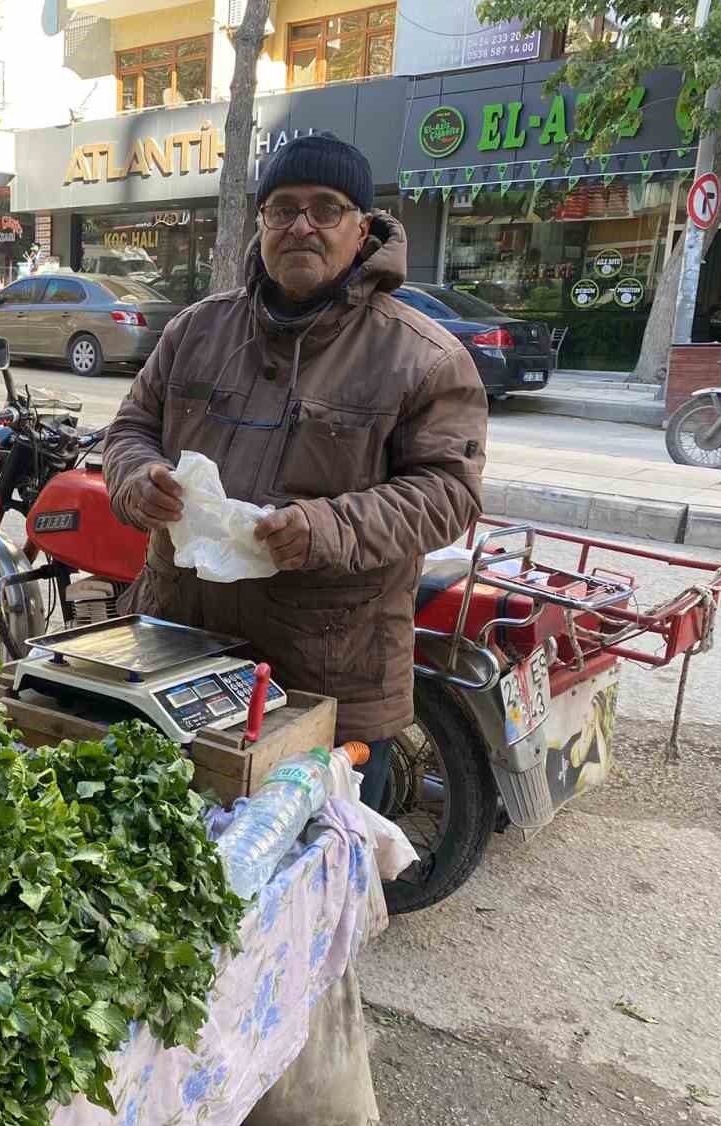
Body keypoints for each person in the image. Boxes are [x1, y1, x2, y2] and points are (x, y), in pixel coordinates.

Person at [103, 132, 488, 812]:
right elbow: (132, 427)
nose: (301, 225)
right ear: (261, 223)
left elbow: (448, 494)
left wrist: (324, 528)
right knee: (171, 861)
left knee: (314, 887)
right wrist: (137, 479)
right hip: (181, 650)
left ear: (363, 228)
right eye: (282, 208)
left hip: (327, 672)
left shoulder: (423, 357)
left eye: (326, 208)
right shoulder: (196, 330)